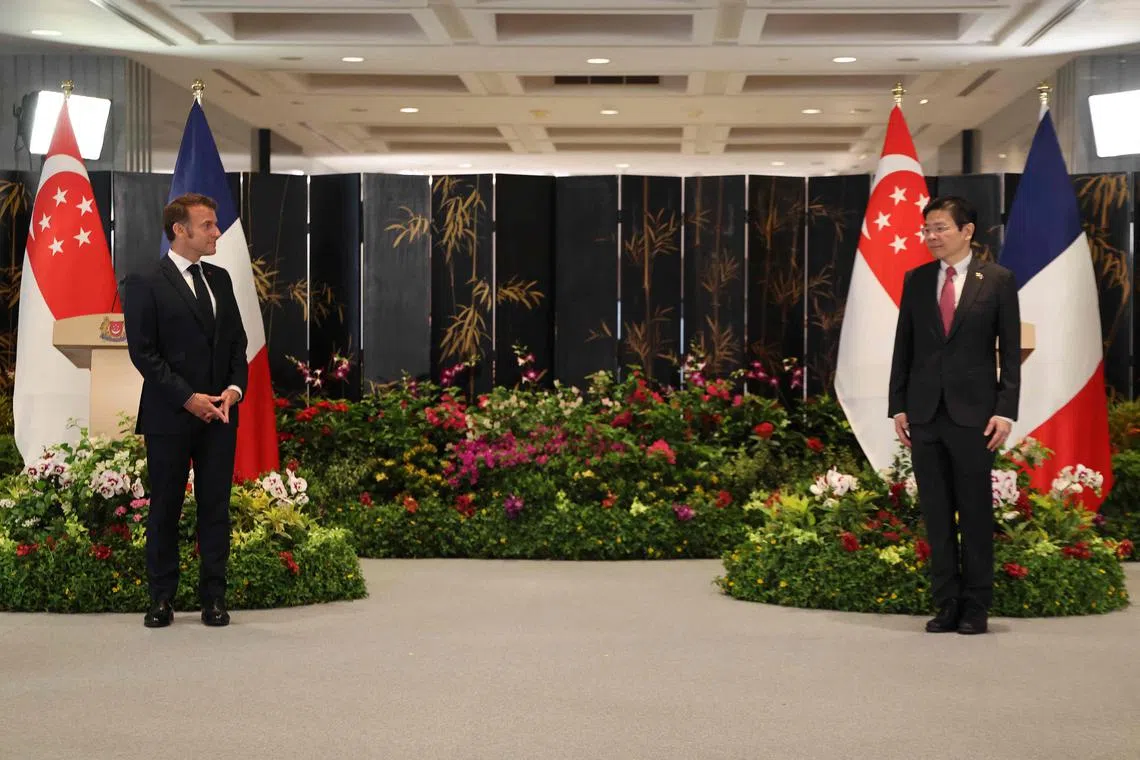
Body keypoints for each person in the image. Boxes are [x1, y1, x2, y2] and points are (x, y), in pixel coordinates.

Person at [888, 195, 1020, 635]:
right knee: (937, 513)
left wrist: (1005, 411)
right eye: (927, 229)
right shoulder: (917, 280)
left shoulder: (998, 280)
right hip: (925, 415)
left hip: (975, 416)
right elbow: (903, 348)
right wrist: (899, 405)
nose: (931, 237)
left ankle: (977, 605)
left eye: (940, 228)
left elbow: (1010, 354)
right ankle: (946, 603)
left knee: (976, 513)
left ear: (967, 232)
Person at [123, 193, 247, 628]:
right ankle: (161, 600)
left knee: (215, 507)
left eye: (215, 225)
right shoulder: (145, 281)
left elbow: (237, 345)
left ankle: (214, 599)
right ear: (181, 229)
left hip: (219, 415)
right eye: (209, 225)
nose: (216, 232)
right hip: (170, 415)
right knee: (166, 509)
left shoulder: (221, 278)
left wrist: (232, 390)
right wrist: (188, 398)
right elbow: (143, 353)